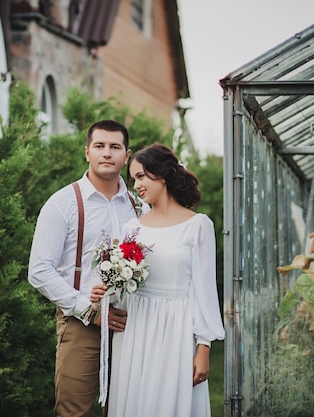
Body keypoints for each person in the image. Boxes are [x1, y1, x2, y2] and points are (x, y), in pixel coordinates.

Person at [91, 143, 225, 417]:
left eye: (141, 176)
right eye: (133, 179)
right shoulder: (132, 228)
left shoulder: (198, 225)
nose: (136, 185)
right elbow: (124, 286)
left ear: (162, 175)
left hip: (176, 330)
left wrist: (203, 347)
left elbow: (204, 291)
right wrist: (106, 289)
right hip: (135, 330)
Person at [28, 119, 146, 417]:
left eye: (115, 147)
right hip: (81, 323)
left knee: (126, 410)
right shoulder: (63, 203)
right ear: (87, 152)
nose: (107, 153)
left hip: (130, 323)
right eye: (100, 146)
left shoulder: (138, 206)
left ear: (126, 155)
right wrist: (87, 308)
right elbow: (39, 270)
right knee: (73, 411)